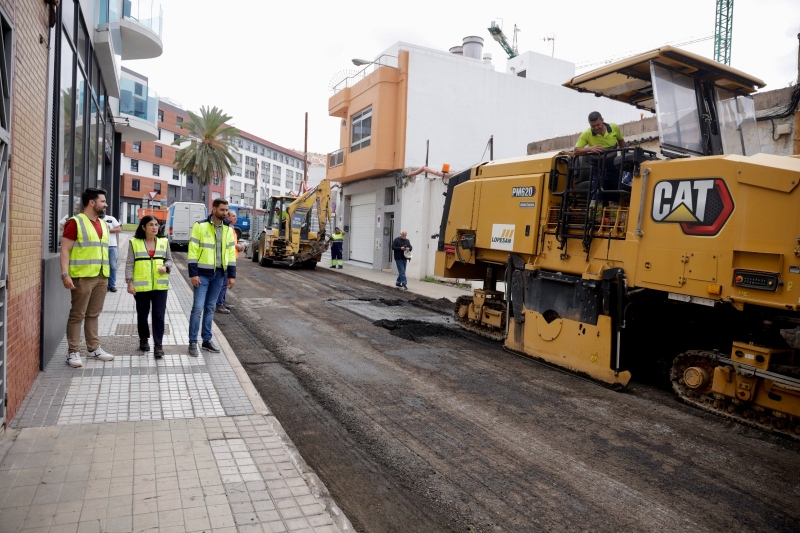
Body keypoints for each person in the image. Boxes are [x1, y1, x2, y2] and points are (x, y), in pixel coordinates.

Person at [60, 188, 115, 368]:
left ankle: (93, 348)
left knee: (93, 314)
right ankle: (73, 352)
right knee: (77, 315)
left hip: (101, 276)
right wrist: (65, 274)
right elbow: (65, 250)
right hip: (82, 277)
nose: (105, 204)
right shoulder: (75, 222)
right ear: (92, 202)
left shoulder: (104, 224)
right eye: (103, 201)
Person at [187, 198, 236, 356]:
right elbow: (193, 251)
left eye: (226, 210)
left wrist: (232, 275)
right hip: (202, 275)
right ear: (214, 209)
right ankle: (193, 342)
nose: (225, 213)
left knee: (209, 308)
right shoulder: (200, 226)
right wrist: (193, 273)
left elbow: (230, 253)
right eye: (222, 210)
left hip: (219, 275)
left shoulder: (228, 229)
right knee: (198, 308)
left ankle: (206, 340)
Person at [126, 215, 173, 358]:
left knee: (159, 315)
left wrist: (166, 267)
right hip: (141, 288)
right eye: (151, 225)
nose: (154, 227)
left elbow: (170, 260)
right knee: (142, 315)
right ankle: (143, 339)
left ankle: (158, 345)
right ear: (143, 227)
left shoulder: (164, 242)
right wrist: (129, 282)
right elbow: (129, 263)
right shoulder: (134, 242)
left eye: (156, 224)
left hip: (160, 286)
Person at [574, 111, 626, 203]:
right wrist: (590, 148)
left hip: (613, 164)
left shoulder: (614, 128)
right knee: (597, 191)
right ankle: (594, 215)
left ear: (602, 120)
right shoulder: (587, 134)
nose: (596, 128)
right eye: (593, 126)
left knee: (614, 191)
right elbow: (576, 151)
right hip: (598, 166)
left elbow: (621, 141)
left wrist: (624, 155)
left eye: (598, 125)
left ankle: (613, 216)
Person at [216, 210, 245, 314]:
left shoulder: (231, 228)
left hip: (230, 258)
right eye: (233, 216)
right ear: (227, 217)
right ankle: (220, 304)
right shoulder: (226, 228)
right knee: (223, 283)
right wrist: (237, 246)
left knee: (225, 283)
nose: (235, 218)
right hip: (226, 259)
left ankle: (222, 302)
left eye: (236, 216)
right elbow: (227, 243)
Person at [103, 211, 122, 292]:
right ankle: (105, 285)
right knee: (103, 266)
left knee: (113, 266)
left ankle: (112, 285)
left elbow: (118, 229)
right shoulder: (95, 219)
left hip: (112, 246)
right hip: (101, 246)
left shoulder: (110, 218)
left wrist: (107, 230)